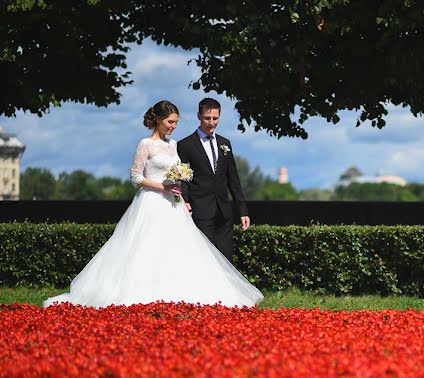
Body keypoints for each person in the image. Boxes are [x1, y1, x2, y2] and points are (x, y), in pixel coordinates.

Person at [43, 101, 263, 308]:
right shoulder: (145, 144)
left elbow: (179, 175)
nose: (173, 126)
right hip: (151, 201)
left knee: (179, 250)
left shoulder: (174, 144)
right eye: (170, 122)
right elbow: (136, 177)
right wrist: (162, 187)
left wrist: (180, 192)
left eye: (176, 122)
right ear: (158, 120)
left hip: (173, 204)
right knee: (147, 247)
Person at [176, 97, 249, 261]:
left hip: (224, 212)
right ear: (198, 116)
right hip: (200, 210)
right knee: (204, 258)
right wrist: (185, 202)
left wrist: (242, 210)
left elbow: (233, 180)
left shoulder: (225, 143)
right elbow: (183, 179)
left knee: (225, 258)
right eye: (207, 118)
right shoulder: (185, 145)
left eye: (215, 118)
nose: (211, 122)